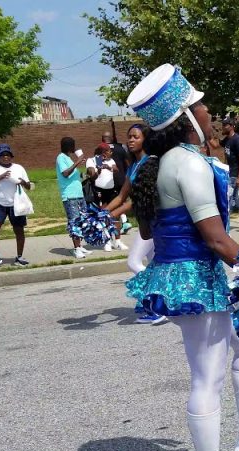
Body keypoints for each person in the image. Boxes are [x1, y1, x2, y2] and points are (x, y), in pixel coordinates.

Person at [124, 64, 239, 451]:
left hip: (198, 274)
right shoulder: (185, 164)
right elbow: (214, 237)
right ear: (185, 117)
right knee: (207, 378)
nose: (209, 111)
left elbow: (162, 229)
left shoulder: (161, 163)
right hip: (199, 279)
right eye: (201, 105)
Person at [102, 123, 168, 326]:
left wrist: (111, 215)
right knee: (153, 266)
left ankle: (158, 305)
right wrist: (100, 213)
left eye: (135, 137)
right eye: (129, 136)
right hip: (144, 223)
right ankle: (161, 304)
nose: (130, 140)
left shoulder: (151, 163)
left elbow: (135, 201)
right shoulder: (133, 166)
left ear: (145, 140)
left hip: (153, 223)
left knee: (134, 263)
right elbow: (122, 195)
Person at [0, 144, 31, 269]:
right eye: (2, 155)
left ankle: (19, 257)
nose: (5, 157)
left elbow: (28, 186)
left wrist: (23, 182)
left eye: (8, 154)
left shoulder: (18, 168)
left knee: (19, 230)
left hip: (16, 203)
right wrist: (2, 176)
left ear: (11, 156)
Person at [86, 144, 129, 251]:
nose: (111, 153)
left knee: (116, 216)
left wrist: (108, 167)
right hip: (99, 191)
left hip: (111, 191)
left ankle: (118, 241)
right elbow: (91, 175)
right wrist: (98, 169)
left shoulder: (111, 160)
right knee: (103, 216)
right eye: (109, 151)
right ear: (103, 152)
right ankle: (107, 241)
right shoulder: (92, 160)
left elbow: (116, 169)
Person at [56, 137, 91, 258]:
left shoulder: (68, 158)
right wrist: (78, 161)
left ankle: (80, 246)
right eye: (72, 145)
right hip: (70, 196)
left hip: (78, 194)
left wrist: (85, 174)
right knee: (74, 222)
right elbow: (65, 174)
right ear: (68, 146)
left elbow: (74, 175)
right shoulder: (61, 158)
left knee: (81, 221)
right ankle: (76, 249)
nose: (74, 148)